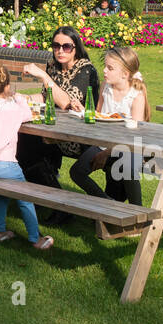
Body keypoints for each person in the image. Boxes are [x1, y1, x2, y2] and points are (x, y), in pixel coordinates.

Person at [0, 62, 53, 250]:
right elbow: (28, 113)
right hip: (6, 166)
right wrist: (20, 100)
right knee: (25, 197)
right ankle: (35, 238)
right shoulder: (13, 110)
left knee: (2, 193)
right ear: (7, 87)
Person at [20, 26, 99, 224]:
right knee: (23, 143)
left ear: (76, 48)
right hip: (56, 130)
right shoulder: (53, 66)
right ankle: (48, 197)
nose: (60, 51)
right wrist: (22, 98)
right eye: (56, 46)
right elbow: (47, 97)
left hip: (81, 135)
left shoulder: (86, 70)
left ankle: (58, 204)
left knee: (31, 145)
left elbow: (66, 102)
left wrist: (43, 76)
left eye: (66, 46)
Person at [68, 47, 149, 206]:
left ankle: (138, 212)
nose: (104, 71)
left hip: (130, 146)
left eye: (110, 68)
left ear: (125, 74)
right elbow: (99, 114)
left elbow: (134, 136)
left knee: (129, 169)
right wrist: (84, 111)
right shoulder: (106, 86)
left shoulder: (136, 95)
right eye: (105, 66)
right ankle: (107, 203)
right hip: (104, 143)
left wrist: (106, 153)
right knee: (77, 172)